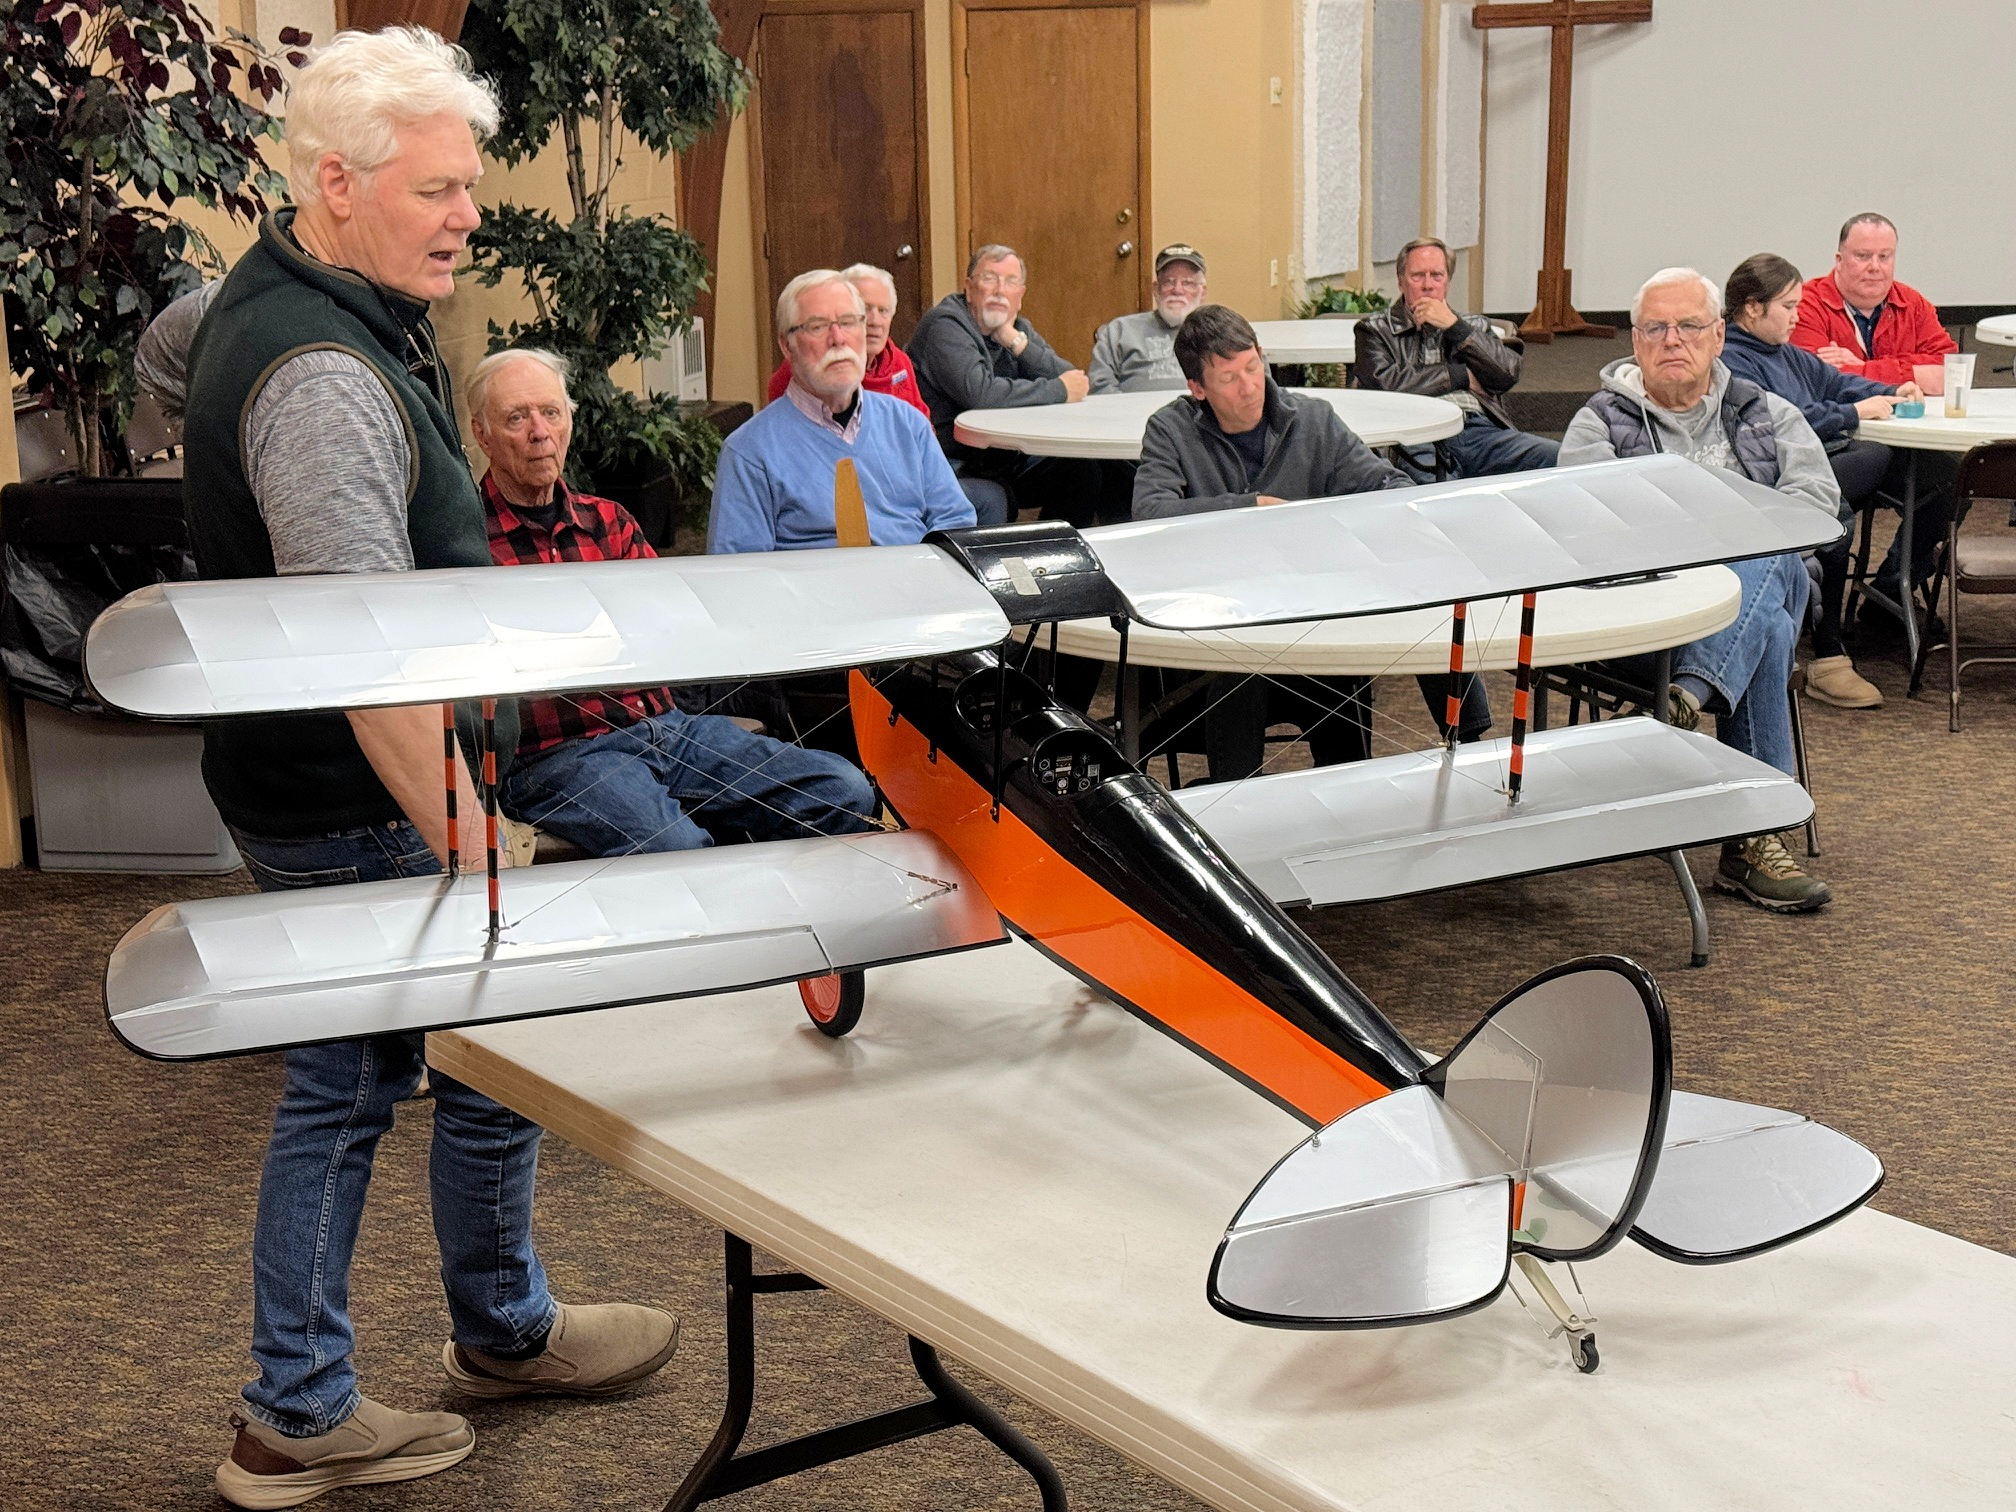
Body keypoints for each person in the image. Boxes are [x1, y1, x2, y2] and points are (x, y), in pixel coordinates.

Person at [175, 29, 679, 1507]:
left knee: (481, 1050)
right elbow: (367, 659)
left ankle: (504, 1325)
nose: (470, 215)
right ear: (337, 184)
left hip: (323, 784)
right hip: (356, 802)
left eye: (470, 184)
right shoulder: (324, 374)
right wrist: (475, 845)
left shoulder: (282, 296)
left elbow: (170, 348)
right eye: (438, 190)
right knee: (349, 1087)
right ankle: (296, 1414)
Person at [469, 347, 879, 854]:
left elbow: (668, 633)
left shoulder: (608, 521)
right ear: (482, 434)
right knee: (678, 848)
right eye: (517, 418)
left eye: (551, 412)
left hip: (666, 728)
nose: (540, 431)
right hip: (557, 758)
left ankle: (775, 897)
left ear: (568, 421)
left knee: (844, 789)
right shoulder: (469, 546)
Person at [1561, 268, 1839, 913]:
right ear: (1635, 341)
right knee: (1769, 624)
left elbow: (1818, 509)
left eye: (1688, 326)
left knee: (1771, 558)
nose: (1672, 340)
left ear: (1717, 336)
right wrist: (1728, 527)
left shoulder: (1767, 412)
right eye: (1656, 328)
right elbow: (1585, 528)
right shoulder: (1598, 424)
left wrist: (1711, 531)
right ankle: (1754, 842)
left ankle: (1682, 700)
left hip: (1753, 588)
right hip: (1647, 616)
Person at [1132, 305, 1488, 778]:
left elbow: (1388, 486)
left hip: (1312, 611)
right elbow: (1149, 515)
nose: (1249, 386)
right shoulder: (1170, 429)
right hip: (1222, 619)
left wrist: (1358, 525)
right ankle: (1234, 791)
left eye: (1253, 367)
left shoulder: (1313, 420)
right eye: (1229, 378)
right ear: (1198, 388)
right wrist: (1249, 508)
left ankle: (1470, 741)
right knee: (1244, 660)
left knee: (1421, 582)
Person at [710, 267, 977, 748]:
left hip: (917, 622)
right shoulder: (750, 451)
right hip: (823, 647)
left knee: (1006, 688)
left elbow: (955, 526)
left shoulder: (908, 425)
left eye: (849, 322)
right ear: (787, 345)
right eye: (817, 326)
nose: (838, 339)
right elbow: (738, 584)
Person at [1721, 252, 1936, 710]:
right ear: (1753, 308)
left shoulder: (1788, 355)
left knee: (1944, 475)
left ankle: (1888, 591)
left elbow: (1837, 383)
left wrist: (1889, 391)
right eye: (1788, 307)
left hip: (1827, 458)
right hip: (1773, 478)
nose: (1797, 317)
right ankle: (1827, 652)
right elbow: (1778, 423)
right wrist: (1853, 413)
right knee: (1838, 501)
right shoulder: (1731, 361)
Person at [1791, 214, 1962, 635]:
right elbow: (1811, 381)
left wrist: (1863, 367)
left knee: (1957, 481)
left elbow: (1950, 372)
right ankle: (1816, 615)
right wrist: (1909, 374)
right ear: (1839, 259)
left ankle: (1889, 592)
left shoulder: (1911, 302)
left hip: (1902, 443)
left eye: (1885, 257)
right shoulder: (1807, 303)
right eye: (1863, 256)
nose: (1875, 267)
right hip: (1834, 443)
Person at [907, 244, 1120, 527]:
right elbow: (980, 393)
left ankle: (1054, 550)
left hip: (1000, 457)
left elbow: (1073, 380)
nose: (999, 290)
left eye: (1010, 282)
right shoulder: (945, 324)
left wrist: (1016, 342)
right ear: (969, 288)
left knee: (1081, 471)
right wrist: (1057, 390)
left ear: (1020, 295)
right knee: (996, 497)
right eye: (989, 278)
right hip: (952, 459)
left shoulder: (1016, 328)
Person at [1355, 236, 1558, 479]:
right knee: (1436, 487)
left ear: (1448, 282)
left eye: (1436, 275)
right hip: (1416, 436)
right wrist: (1460, 376)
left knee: (1559, 456)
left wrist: (1456, 328)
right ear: (1401, 282)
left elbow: (1506, 375)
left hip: (1476, 430)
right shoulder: (1375, 330)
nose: (1428, 285)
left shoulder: (1473, 326)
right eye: (1417, 276)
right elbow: (1382, 387)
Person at [765, 261, 930, 420]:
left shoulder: (899, 362)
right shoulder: (811, 371)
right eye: (866, 309)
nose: (875, 321)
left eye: (883, 310)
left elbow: (921, 420)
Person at [1088, 244, 1209, 393]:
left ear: (1202, 292)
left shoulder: (1217, 333)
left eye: (1188, 283)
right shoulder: (1119, 331)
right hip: (1132, 407)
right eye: (1169, 281)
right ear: (1156, 289)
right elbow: (1100, 385)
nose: (1177, 290)